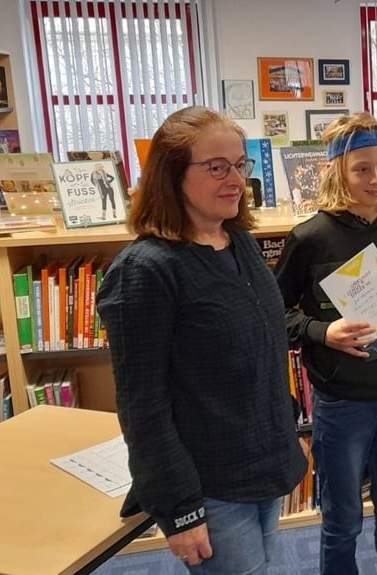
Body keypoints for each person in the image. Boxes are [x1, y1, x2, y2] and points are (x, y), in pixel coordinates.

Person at [96, 106, 307, 574]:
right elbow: (142, 406)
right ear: (172, 176)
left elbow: (264, 348)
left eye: (239, 165)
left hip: (263, 466)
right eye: (216, 167)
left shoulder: (241, 243)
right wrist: (179, 509)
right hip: (209, 486)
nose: (235, 179)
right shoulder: (146, 271)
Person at [273, 113, 377, 575]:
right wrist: (323, 333)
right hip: (342, 401)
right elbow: (275, 316)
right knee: (342, 521)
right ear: (339, 170)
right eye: (362, 169)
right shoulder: (310, 239)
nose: (376, 179)